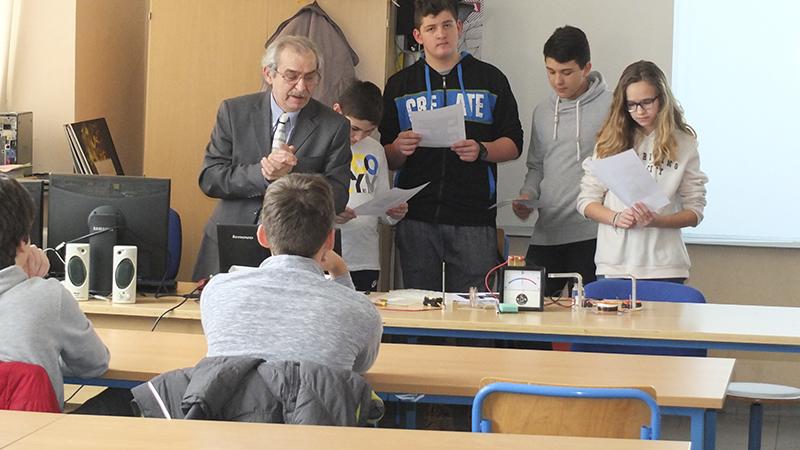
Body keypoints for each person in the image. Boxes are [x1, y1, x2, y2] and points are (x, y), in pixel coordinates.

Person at [379, 0, 524, 292]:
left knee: (475, 308)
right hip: (416, 216)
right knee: (420, 306)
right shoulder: (399, 85)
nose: (441, 34)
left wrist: (482, 150)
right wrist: (398, 148)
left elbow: (514, 144)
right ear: (418, 35)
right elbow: (385, 157)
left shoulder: (490, 78)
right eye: (431, 28)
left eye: (447, 25)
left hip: (474, 216)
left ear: (458, 27)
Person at [193, 35, 352, 280]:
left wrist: (291, 176)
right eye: (291, 76)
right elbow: (210, 178)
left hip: (298, 250)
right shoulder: (234, 112)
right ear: (269, 74)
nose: (301, 87)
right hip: (232, 238)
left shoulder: (334, 126)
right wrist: (263, 174)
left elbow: (339, 196)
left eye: (310, 77)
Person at [200, 173, 382, 374]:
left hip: (236, 396)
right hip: (315, 396)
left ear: (262, 235)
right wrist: (340, 272)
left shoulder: (216, 292)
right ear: (330, 240)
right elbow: (357, 368)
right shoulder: (361, 311)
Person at [577, 60, 708, 282]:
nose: (639, 111)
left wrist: (657, 221)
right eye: (631, 105)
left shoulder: (684, 143)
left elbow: (695, 211)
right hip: (615, 264)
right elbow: (586, 202)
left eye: (647, 102)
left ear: (662, 98)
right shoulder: (610, 141)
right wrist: (616, 217)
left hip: (665, 266)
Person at [513, 25, 612, 296]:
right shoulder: (543, 112)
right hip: (548, 231)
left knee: (593, 311)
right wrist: (527, 195)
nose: (558, 81)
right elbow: (536, 166)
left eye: (566, 72)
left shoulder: (613, 107)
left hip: (593, 232)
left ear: (586, 68)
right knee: (524, 305)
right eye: (551, 71)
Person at [0, 175, 109, 408]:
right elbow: (94, 364)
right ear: (23, 243)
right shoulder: (48, 296)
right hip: (31, 430)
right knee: (130, 397)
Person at [333, 80, 407, 292]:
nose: (359, 137)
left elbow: (383, 205)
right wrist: (331, 213)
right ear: (337, 110)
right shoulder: (322, 143)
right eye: (354, 128)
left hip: (364, 257)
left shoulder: (375, 150)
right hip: (326, 255)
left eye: (369, 131)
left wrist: (394, 212)